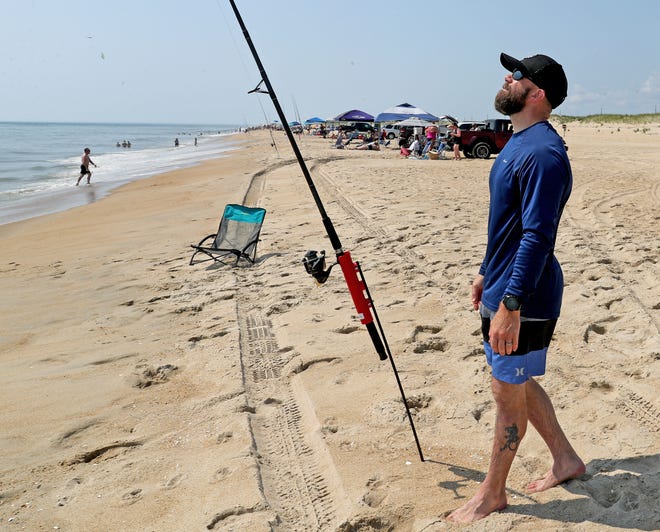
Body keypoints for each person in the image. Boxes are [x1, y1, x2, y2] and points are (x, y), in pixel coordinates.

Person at [447, 52, 585, 523]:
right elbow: (506, 226)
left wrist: (510, 302)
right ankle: (566, 460)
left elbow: (538, 236)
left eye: (517, 75)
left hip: (524, 298)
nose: (508, 79)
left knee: (506, 395)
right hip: (503, 286)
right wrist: (487, 272)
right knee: (517, 381)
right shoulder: (518, 142)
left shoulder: (545, 153)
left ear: (537, 92)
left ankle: (492, 494)